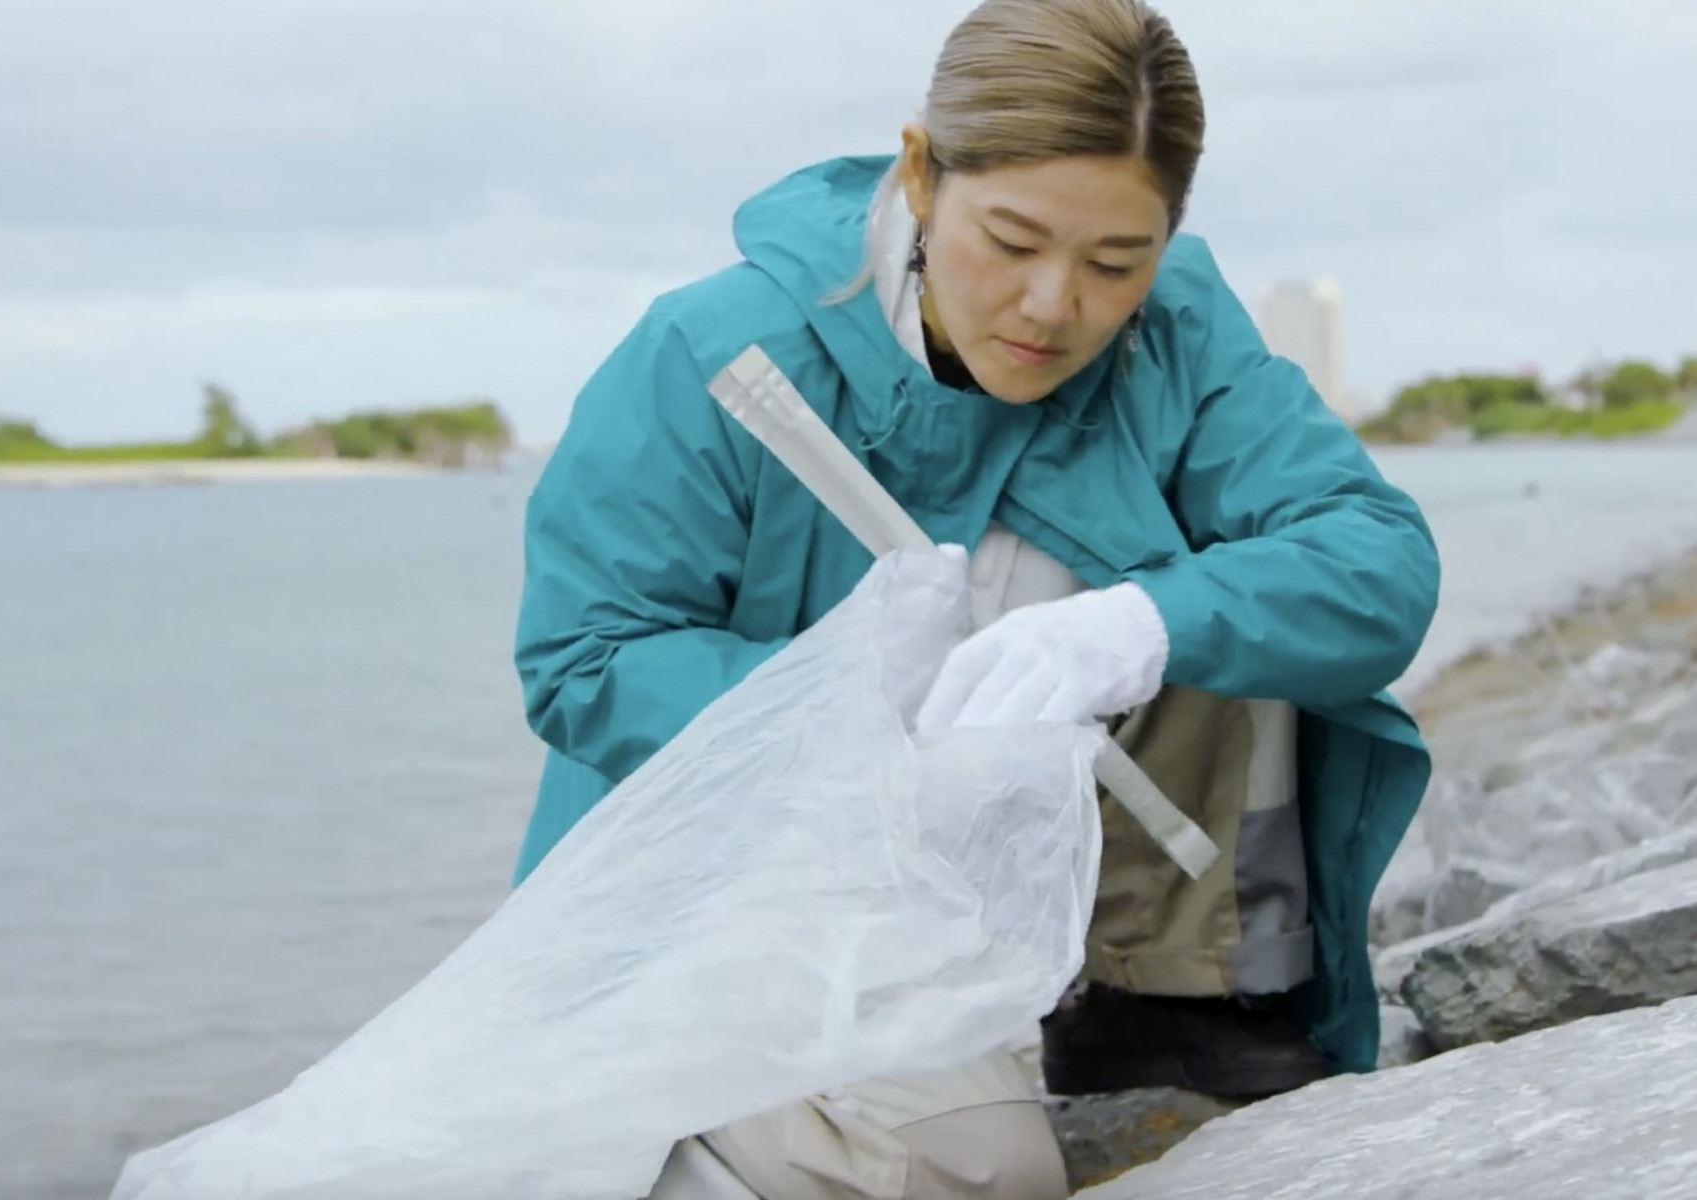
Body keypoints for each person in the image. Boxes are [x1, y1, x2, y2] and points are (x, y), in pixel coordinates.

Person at [509, 0, 1440, 1194]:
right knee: (981, 1178)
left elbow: (1374, 563)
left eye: (1114, 261)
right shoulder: (713, 352)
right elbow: (583, 662)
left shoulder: (1176, 332)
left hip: (1054, 877)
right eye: (1010, 241)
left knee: (1226, 600)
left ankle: (1165, 1007)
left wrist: (1138, 626)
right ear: (919, 172)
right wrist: (850, 696)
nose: (1053, 307)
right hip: (768, 887)